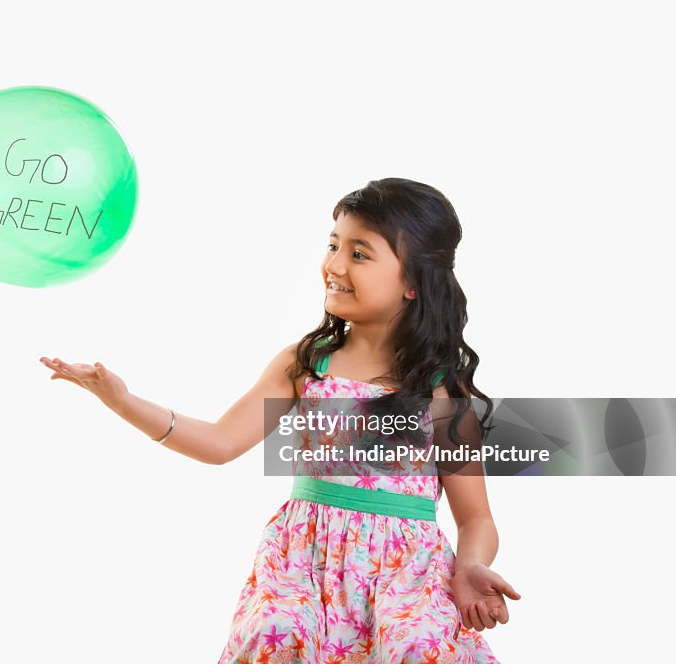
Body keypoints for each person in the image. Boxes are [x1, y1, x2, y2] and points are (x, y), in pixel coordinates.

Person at [39, 178, 520, 663]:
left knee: (416, 647)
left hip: (405, 577)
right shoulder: (307, 363)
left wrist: (471, 565)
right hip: (302, 564)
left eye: (359, 254)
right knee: (275, 633)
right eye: (334, 245)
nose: (333, 265)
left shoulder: (440, 387)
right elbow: (219, 441)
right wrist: (122, 401)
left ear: (413, 280)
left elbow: (475, 515)